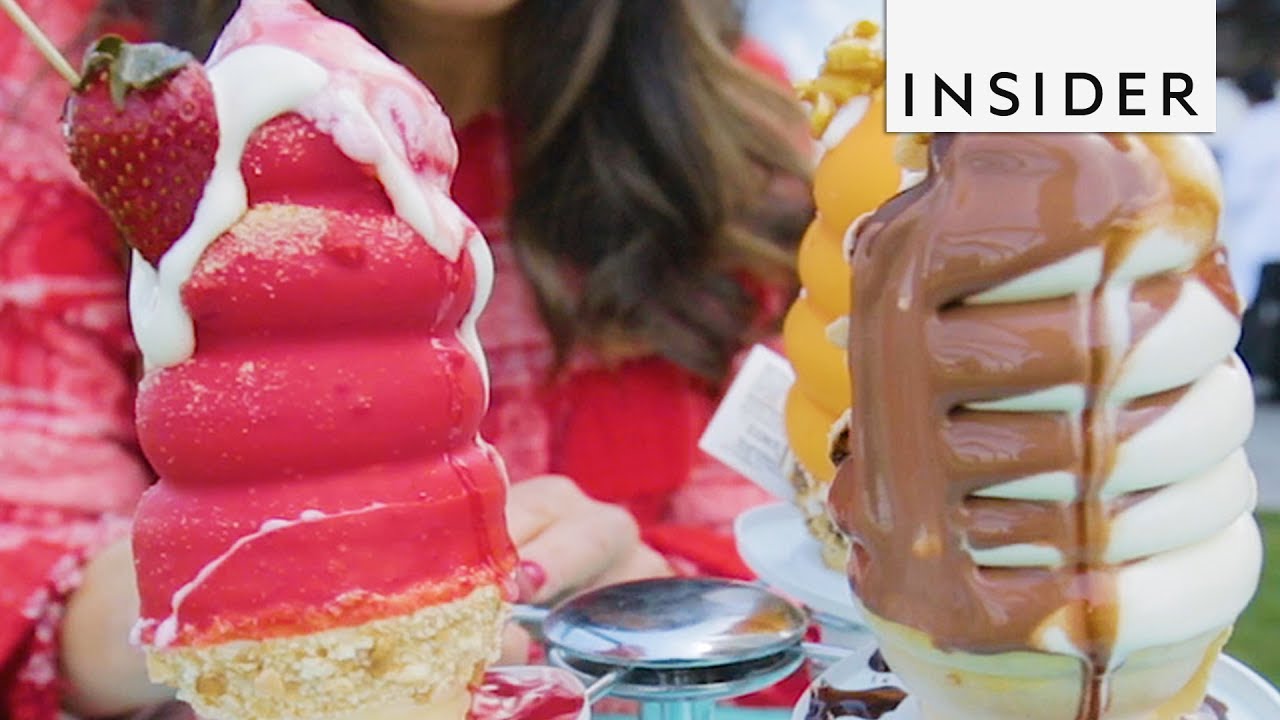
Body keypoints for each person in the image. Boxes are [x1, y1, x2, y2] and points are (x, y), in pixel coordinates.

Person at [1, 0, 812, 717]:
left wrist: (652, 613)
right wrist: (195, 598)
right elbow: (25, 558)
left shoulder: (736, 131)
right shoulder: (96, 93)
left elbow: (811, 570)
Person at [1220, 64, 1280, 396]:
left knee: (1252, 307)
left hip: (1258, 236)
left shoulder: (1252, 130)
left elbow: (1237, 190)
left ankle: (1247, 374)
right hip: (1270, 235)